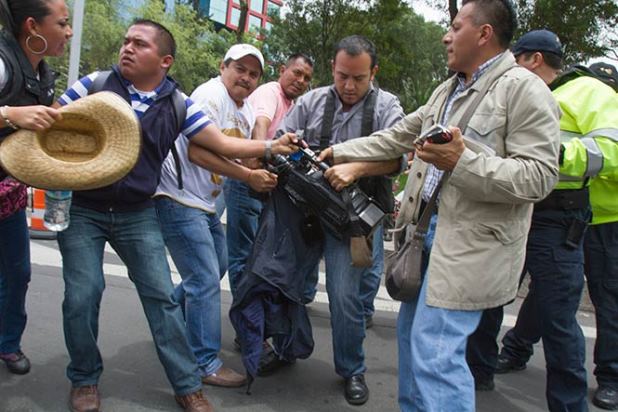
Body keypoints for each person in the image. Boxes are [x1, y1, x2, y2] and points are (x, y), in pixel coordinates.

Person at [318, 1, 561, 411]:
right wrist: (335, 151)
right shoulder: (448, 89)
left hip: (471, 248)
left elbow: (539, 177)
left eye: (454, 26)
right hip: (426, 238)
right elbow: (396, 137)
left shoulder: (523, 89)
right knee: (414, 343)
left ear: (483, 34)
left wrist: (462, 162)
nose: (446, 36)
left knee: (434, 348)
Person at [55, 20, 298, 412]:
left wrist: (272, 146)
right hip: (85, 210)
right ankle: (84, 379)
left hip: (137, 213)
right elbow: (51, 123)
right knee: (82, 295)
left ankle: (187, 385)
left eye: (140, 44)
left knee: (163, 300)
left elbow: (217, 144)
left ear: (165, 60)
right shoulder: (95, 84)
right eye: (126, 41)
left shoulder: (179, 104)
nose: (128, 48)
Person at [474, 34, 618, 411]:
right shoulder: (525, 93)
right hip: (514, 207)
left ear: (533, 59)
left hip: (558, 215)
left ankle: (570, 403)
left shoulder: (592, 92)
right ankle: (479, 373)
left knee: (558, 315)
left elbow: (611, 150)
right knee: (491, 295)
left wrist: (551, 154)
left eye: (513, 61)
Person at [278, 34, 405, 405]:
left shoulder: (387, 106)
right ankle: (285, 348)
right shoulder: (312, 100)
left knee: (344, 296)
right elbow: (281, 142)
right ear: (332, 69)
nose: (349, 86)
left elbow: (399, 158)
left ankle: (352, 369)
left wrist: (356, 168)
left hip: (353, 220)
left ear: (373, 73)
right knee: (285, 282)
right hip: (303, 209)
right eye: (341, 76)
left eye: (358, 78)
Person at [154, 43, 281, 389]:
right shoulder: (210, 96)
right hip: (179, 198)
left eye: (254, 73)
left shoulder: (242, 111)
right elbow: (198, 151)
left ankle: (168, 322)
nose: (246, 77)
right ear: (223, 66)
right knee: (206, 279)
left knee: (217, 265)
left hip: (204, 202)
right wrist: (251, 174)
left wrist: (276, 157)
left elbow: (246, 159)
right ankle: (203, 362)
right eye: (240, 68)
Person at [0, 0, 71, 375]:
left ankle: (7, 343)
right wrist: (10, 114)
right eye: (62, 23)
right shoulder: (2, 62)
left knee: (17, 272)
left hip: (6, 196)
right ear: (33, 26)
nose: (69, 32)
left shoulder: (42, 74)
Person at [248, 53, 313, 141]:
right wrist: (261, 153)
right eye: (297, 73)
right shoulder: (270, 92)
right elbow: (259, 125)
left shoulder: (292, 105)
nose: (301, 81)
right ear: (282, 71)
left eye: (306, 79)